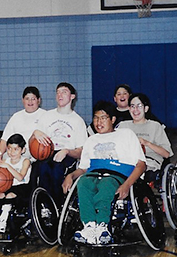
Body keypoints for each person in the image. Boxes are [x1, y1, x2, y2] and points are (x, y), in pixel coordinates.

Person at [62, 101, 146, 245]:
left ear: (112, 119)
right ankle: (89, 226)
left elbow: (141, 164)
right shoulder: (91, 140)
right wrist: (70, 176)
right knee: (83, 183)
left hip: (117, 175)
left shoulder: (126, 134)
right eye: (96, 118)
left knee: (106, 184)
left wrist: (127, 185)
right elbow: (83, 169)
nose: (98, 122)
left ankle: (102, 226)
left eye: (103, 118)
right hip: (94, 174)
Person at [31, 82, 88, 206]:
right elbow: (33, 142)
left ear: (72, 96)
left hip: (67, 155)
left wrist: (67, 151)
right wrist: (35, 133)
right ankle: (43, 206)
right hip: (47, 153)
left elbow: (81, 151)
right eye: (58, 92)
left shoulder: (78, 121)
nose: (60, 95)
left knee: (57, 168)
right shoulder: (47, 116)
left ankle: (56, 206)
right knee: (39, 168)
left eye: (64, 91)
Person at [0, 134, 32, 233]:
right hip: (7, 187)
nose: (12, 152)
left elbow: (20, 177)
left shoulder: (25, 161)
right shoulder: (5, 160)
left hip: (22, 188)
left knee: (9, 195)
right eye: (9, 149)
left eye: (16, 149)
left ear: (23, 150)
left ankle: (2, 220)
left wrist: (7, 166)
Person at [116, 93, 173, 183]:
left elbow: (166, 154)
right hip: (128, 161)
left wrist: (147, 143)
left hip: (149, 162)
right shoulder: (123, 125)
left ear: (146, 109)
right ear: (129, 109)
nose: (135, 110)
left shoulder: (155, 126)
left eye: (139, 106)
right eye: (132, 106)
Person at [0, 86, 46, 157]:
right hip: (16, 153)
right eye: (27, 99)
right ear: (23, 100)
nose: (30, 102)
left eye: (33, 99)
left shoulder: (45, 115)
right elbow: (4, 139)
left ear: (39, 100)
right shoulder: (16, 116)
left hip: (38, 153)